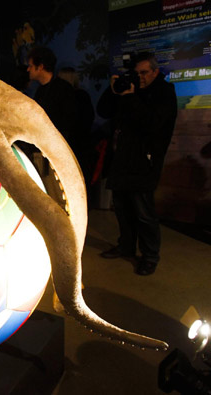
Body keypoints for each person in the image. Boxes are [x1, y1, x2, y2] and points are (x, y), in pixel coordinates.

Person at [97, 52, 177, 275]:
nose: (139, 77)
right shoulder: (129, 87)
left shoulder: (164, 92)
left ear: (155, 72)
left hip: (145, 161)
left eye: (144, 73)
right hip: (122, 159)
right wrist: (114, 92)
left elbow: (152, 124)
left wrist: (131, 97)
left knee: (144, 212)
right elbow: (103, 111)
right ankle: (126, 247)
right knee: (122, 208)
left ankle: (150, 256)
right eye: (136, 73)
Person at [27, 47, 79, 153]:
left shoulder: (64, 89)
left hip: (60, 150)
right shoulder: (40, 90)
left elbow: (70, 123)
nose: (28, 69)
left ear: (40, 67)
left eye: (31, 66)